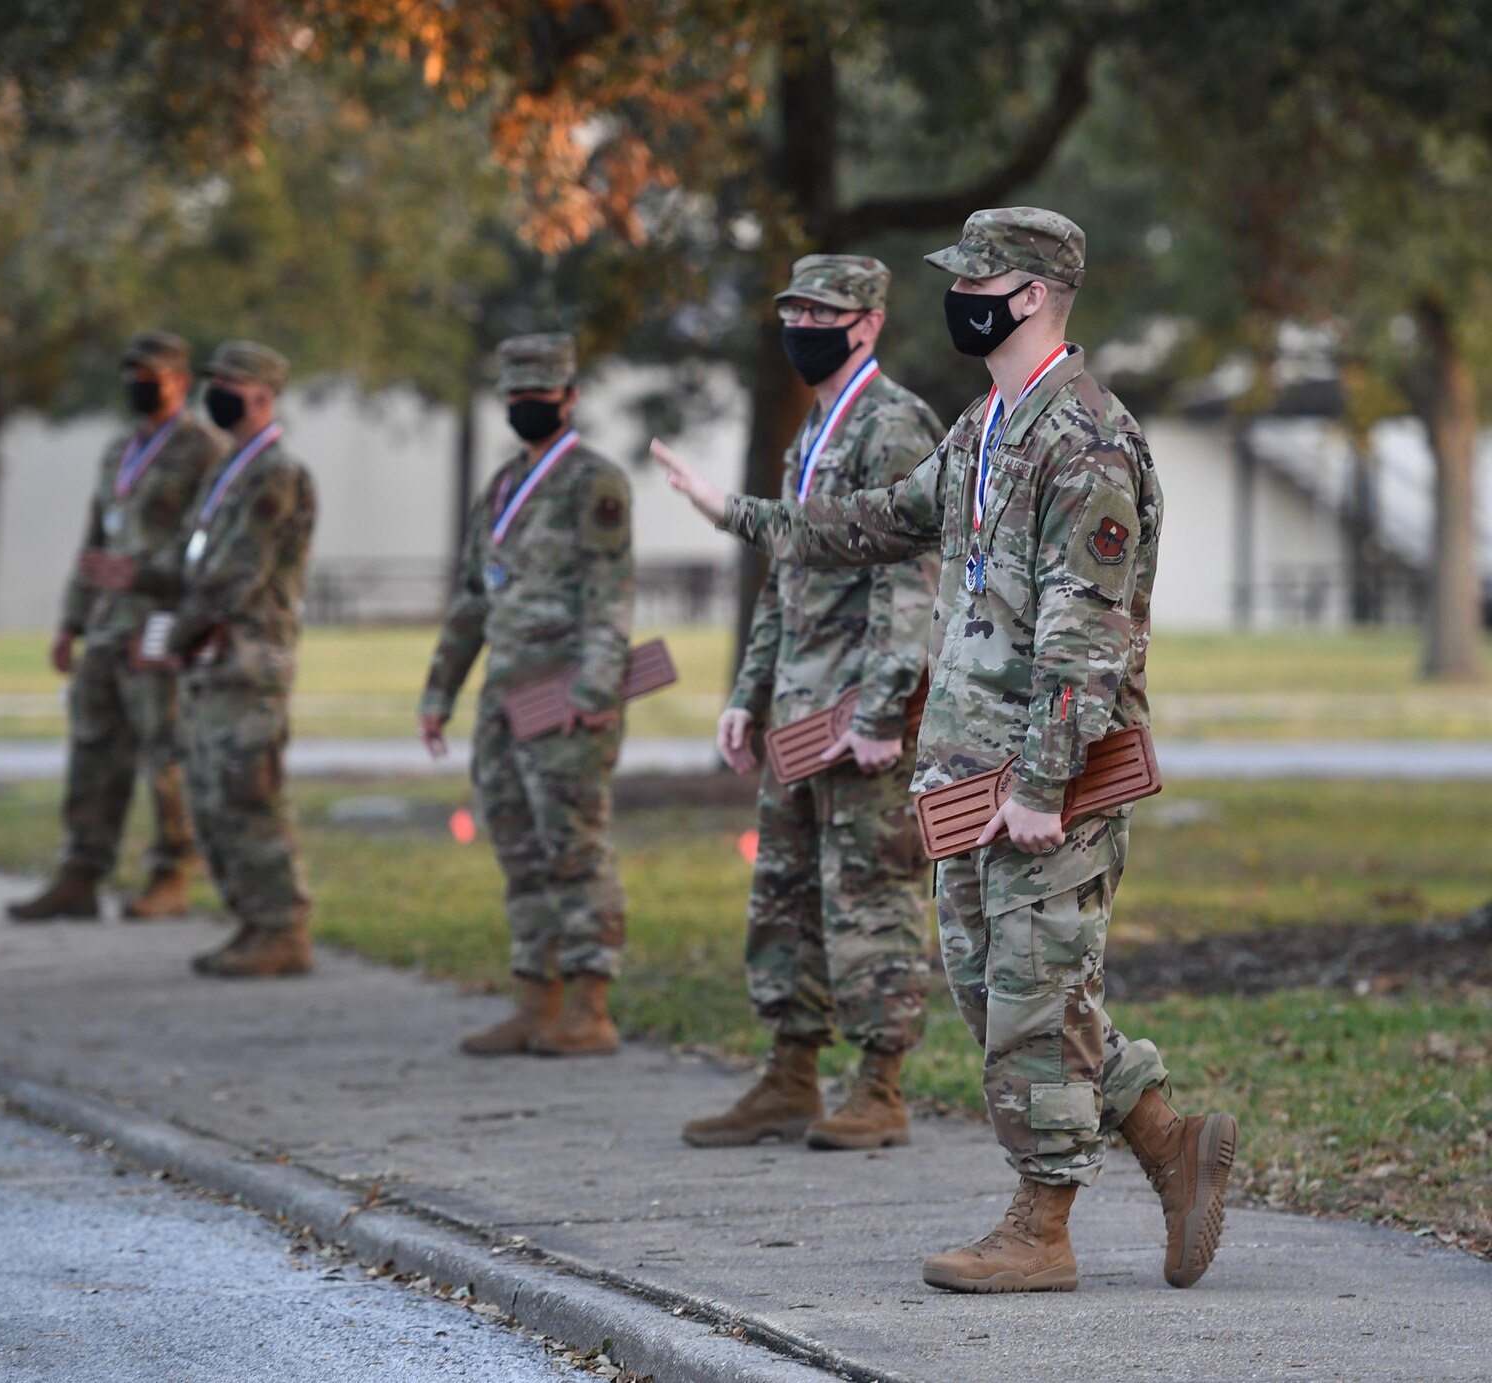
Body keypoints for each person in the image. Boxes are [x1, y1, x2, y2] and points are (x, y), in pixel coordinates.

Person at [650, 208, 1237, 1294]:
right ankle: (1164, 1138)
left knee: (1027, 995)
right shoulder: (983, 427)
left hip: (1037, 776)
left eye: (975, 280)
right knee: (999, 993)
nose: (954, 296)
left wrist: (1041, 780)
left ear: (1029, 294)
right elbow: (874, 521)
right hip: (962, 770)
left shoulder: (1085, 439)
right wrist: (738, 513)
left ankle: (1040, 1225)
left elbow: (1086, 630)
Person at [679, 256, 941, 1151]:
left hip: (858, 715)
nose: (802, 326)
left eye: (821, 311)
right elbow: (785, 574)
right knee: (786, 894)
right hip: (797, 710)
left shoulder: (895, 424)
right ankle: (790, 1073)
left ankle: (880, 1083)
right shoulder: (815, 430)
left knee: (871, 893)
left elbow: (912, 576)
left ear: (866, 323)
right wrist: (749, 691)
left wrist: (881, 712)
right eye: (792, 310)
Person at [420, 332, 634, 1057]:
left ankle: (589, 1003)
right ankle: (535, 998)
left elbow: (611, 598)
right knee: (516, 843)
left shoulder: (594, 484)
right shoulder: (503, 487)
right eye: (516, 396)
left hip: (567, 697)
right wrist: (440, 689)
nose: (527, 406)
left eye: (541, 395)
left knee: (574, 847)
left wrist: (597, 687)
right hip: (503, 698)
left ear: (570, 398)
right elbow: (472, 598)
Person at [7, 332, 222, 922]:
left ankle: (171, 871)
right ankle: (80, 872)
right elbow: (94, 539)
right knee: (92, 746)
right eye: (129, 371)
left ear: (180, 380)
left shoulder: (202, 451)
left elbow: (206, 543)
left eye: (148, 372)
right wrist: (70, 621)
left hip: (157, 620)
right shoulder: (118, 452)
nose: (136, 383)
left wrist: (148, 577)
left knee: (165, 751)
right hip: (106, 622)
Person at [134, 341, 316, 977]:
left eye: (229, 383)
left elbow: (234, 575)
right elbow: (191, 559)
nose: (217, 392)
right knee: (209, 797)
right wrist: (138, 578)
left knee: (248, 792)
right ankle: (251, 921)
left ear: (262, 396)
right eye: (212, 381)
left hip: (248, 659)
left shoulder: (276, 473)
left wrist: (174, 635)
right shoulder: (228, 468)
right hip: (210, 660)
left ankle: (283, 926)